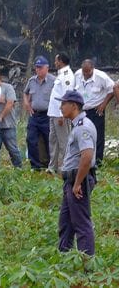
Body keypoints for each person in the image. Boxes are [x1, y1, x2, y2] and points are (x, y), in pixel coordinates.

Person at [57, 90, 97, 256]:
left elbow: (87, 157)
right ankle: (64, 256)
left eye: (63, 104)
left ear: (73, 106)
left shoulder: (83, 127)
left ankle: (87, 263)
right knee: (66, 222)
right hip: (71, 181)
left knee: (81, 223)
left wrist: (78, 183)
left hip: (77, 181)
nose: (60, 107)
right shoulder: (77, 126)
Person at [75, 59, 112, 166]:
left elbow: (112, 89)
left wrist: (104, 104)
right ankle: (81, 160)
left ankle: (97, 162)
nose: (86, 74)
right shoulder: (77, 74)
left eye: (88, 72)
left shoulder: (101, 77)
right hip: (81, 110)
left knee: (97, 135)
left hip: (96, 110)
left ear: (93, 69)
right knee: (80, 134)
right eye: (84, 72)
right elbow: (73, 90)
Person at [23, 56, 54, 170]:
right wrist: (27, 104)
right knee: (31, 139)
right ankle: (35, 166)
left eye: (40, 68)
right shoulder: (32, 81)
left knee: (48, 140)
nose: (38, 70)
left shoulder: (53, 81)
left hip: (47, 115)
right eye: (36, 68)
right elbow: (25, 93)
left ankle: (50, 164)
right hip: (34, 115)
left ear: (47, 68)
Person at [48, 53, 75, 173]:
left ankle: (64, 167)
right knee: (53, 140)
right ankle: (52, 167)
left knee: (63, 142)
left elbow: (67, 96)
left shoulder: (67, 75)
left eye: (56, 61)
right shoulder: (60, 75)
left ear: (61, 61)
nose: (55, 63)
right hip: (53, 113)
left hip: (60, 114)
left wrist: (63, 115)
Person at [0, 68, 21, 168]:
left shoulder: (8, 88)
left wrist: (1, 116)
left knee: (13, 149)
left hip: (8, 125)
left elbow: (10, 103)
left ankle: (19, 169)